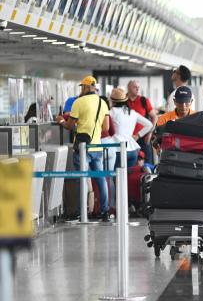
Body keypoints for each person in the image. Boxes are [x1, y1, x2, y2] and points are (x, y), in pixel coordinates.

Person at [55, 76, 110, 221]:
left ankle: (81, 212)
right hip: (97, 146)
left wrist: (61, 120)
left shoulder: (79, 102)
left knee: (82, 179)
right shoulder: (102, 102)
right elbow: (106, 127)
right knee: (101, 179)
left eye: (82, 87)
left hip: (82, 147)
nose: (81, 90)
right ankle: (105, 212)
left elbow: (69, 125)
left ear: (86, 87)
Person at [109, 87, 153, 168]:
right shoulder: (132, 113)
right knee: (126, 178)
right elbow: (149, 124)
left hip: (117, 150)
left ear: (112, 101)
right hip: (132, 151)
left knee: (116, 178)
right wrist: (138, 135)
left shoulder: (111, 113)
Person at [127, 80, 157, 165]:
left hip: (144, 137)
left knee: (148, 162)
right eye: (135, 87)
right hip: (129, 137)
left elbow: (154, 117)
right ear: (129, 88)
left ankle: (149, 178)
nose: (137, 89)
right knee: (130, 163)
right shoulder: (123, 101)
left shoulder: (144, 100)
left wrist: (150, 133)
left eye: (138, 87)